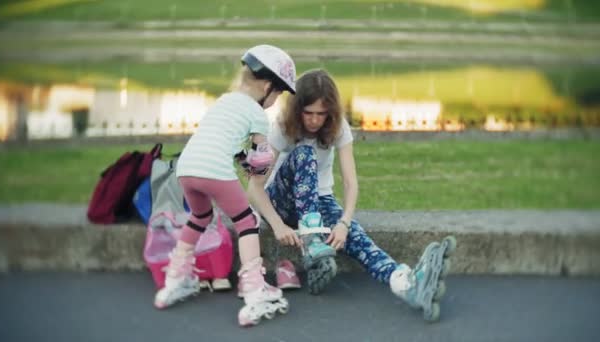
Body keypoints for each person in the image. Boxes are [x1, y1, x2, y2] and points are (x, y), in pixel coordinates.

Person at [248, 69, 457, 322]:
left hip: (318, 202)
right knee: (304, 154)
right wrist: (278, 224)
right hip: (280, 201)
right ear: (297, 109)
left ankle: (405, 283)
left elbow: (350, 182)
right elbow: (254, 187)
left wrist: (344, 223)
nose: (314, 121)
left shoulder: (338, 128)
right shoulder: (281, 126)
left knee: (356, 236)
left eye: (321, 114)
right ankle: (313, 243)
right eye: (308, 113)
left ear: (331, 113)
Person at [154, 44, 296, 327]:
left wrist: (243, 162)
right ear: (267, 86)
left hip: (187, 169)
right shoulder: (258, 114)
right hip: (214, 170)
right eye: (279, 92)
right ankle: (256, 290)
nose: (277, 99)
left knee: (199, 217)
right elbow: (262, 158)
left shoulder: (223, 101)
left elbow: (225, 145)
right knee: (247, 222)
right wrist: (257, 169)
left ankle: (175, 279)